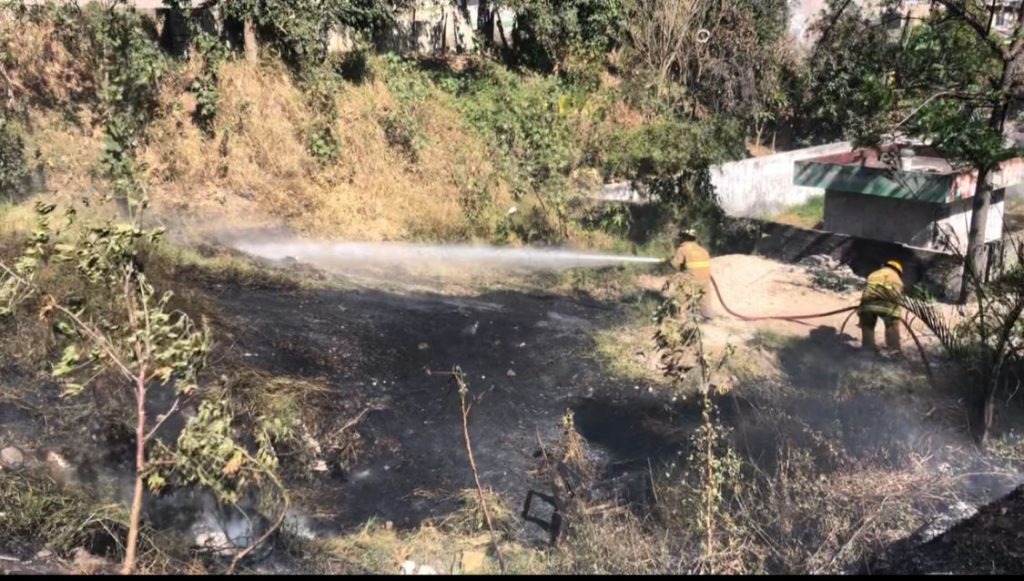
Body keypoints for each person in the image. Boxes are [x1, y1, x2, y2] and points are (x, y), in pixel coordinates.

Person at [666, 228, 714, 320]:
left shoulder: (682, 249)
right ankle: (707, 317)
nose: (680, 239)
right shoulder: (703, 250)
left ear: (684, 238)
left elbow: (675, 265)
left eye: (681, 237)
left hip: (691, 281)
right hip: (705, 281)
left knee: (680, 298)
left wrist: (669, 261)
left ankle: (680, 317)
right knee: (704, 300)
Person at [858, 259, 904, 354]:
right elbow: (897, 296)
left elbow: (867, 290)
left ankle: (867, 350)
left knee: (867, 325)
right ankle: (894, 352)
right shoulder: (898, 279)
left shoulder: (873, 274)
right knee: (892, 325)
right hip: (888, 307)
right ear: (898, 272)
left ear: (883, 266)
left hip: (868, 304)